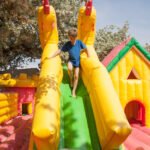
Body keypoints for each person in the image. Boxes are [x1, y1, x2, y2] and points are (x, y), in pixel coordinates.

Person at [44, 28, 90, 97]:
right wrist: (51, 56)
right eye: (70, 38)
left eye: (73, 38)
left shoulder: (79, 42)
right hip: (71, 61)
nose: (71, 40)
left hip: (77, 63)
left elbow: (86, 48)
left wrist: (89, 55)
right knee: (70, 68)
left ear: (76, 37)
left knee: (77, 76)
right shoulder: (68, 44)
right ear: (69, 37)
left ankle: (73, 91)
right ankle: (71, 79)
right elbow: (60, 50)